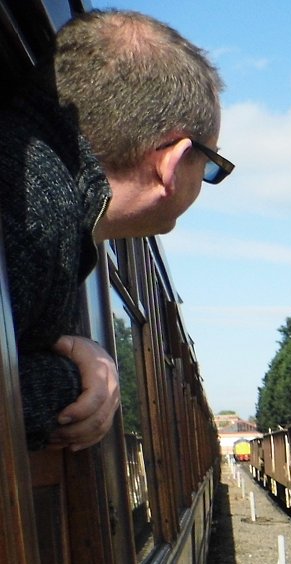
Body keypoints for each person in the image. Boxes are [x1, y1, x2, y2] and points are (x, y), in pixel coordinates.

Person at [0, 9, 227, 451]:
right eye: (212, 163)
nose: (208, 178)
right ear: (174, 163)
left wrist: (81, 351)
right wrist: (73, 382)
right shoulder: (31, 200)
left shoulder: (45, 180)